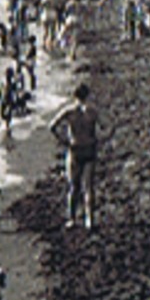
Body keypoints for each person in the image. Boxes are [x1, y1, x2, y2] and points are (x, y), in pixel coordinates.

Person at [49, 83, 99, 229]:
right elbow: (103, 129)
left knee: (74, 187)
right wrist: (95, 140)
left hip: (75, 148)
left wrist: (63, 140)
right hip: (89, 149)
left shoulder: (70, 112)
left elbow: (52, 126)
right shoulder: (92, 112)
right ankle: (89, 219)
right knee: (88, 187)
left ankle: (72, 218)